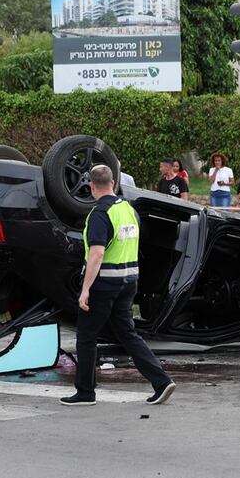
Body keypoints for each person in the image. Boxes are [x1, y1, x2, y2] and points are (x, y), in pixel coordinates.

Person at [61, 165, 176, 407]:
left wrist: (85, 290)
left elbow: (96, 254)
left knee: (86, 336)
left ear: (92, 186)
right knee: (127, 334)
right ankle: (162, 381)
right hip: (128, 281)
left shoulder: (100, 214)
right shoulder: (127, 209)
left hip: (104, 284)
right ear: (113, 183)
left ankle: (85, 393)